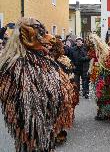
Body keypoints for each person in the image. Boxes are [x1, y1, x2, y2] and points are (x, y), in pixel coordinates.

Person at [0, 17, 74, 152]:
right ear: (27, 36)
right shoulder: (16, 66)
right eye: (41, 33)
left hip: (49, 125)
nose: (49, 38)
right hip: (31, 130)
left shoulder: (45, 60)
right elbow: (18, 107)